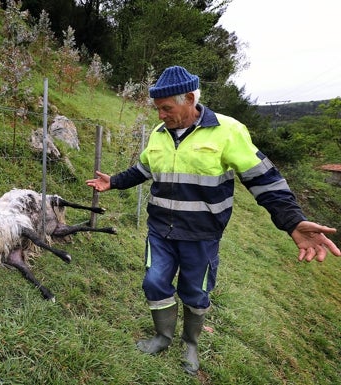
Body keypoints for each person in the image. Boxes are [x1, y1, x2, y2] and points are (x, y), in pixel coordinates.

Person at [85, 65, 341, 375]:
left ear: (189, 98)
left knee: (195, 292)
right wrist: (113, 181)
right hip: (160, 232)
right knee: (154, 282)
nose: (160, 115)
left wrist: (292, 221)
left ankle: (190, 343)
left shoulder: (228, 131)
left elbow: (265, 180)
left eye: (166, 108)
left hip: (202, 236)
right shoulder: (159, 133)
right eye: (157, 109)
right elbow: (142, 169)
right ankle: (162, 337)